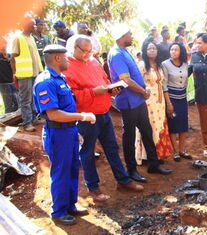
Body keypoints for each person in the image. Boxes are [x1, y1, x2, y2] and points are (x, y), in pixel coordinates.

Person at [63, 36, 144, 202]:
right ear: (74, 47)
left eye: (89, 50)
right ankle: (93, 188)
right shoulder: (67, 67)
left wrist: (111, 90)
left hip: (104, 112)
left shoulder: (94, 62)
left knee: (112, 148)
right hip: (86, 116)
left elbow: (105, 81)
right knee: (87, 152)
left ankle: (123, 181)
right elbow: (72, 97)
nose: (87, 54)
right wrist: (93, 92)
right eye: (83, 50)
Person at [33, 44, 96, 225]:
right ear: (57, 58)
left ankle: (70, 205)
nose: (68, 60)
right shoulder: (46, 81)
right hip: (57, 133)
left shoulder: (60, 78)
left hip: (69, 131)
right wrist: (83, 116)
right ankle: (59, 211)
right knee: (61, 171)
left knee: (72, 168)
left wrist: (74, 126)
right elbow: (54, 114)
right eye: (66, 57)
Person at [108, 25, 172, 183]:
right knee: (129, 136)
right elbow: (125, 80)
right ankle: (131, 170)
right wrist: (143, 92)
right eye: (129, 33)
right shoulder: (116, 54)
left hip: (138, 99)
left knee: (147, 130)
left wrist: (142, 93)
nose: (131, 36)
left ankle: (153, 163)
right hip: (129, 101)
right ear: (122, 36)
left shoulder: (124, 51)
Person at [135, 40, 173, 164]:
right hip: (148, 101)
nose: (152, 50)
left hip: (160, 101)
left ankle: (159, 153)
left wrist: (167, 102)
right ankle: (147, 157)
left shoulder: (159, 65)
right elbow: (137, 82)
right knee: (150, 126)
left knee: (159, 126)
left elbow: (162, 83)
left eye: (154, 48)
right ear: (145, 51)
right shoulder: (141, 65)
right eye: (149, 48)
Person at [11, 17, 44, 132]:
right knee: (25, 99)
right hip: (24, 74)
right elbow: (12, 57)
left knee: (33, 97)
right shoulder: (18, 38)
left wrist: (40, 70)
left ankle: (34, 118)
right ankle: (27, 122)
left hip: (34, 73)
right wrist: (14, 73)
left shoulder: (31, 38)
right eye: (33, 25)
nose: (35, 27)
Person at [162, 43, 192, 161]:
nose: (173, 52)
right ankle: (175, 152)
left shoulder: (185, 64)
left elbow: (186, 82)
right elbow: (164, 84)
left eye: (176, 50)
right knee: (173, 124)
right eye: (172, 49)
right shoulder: (165, 64)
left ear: (181, 52)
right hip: (172, 99)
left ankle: (182, 150)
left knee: (183, 124)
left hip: (182, 98)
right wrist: (168, 103)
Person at [0, 37, 18, 113]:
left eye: (5, 44)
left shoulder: (10, 56)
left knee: (16, 103)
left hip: (12, 82)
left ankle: (15, 121)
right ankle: (8, 122)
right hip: (3, 83)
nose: (5, 46)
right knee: (8, 105)